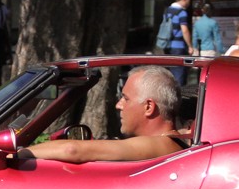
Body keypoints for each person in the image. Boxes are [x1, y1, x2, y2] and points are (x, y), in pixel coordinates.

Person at [12, 66, 189, 164]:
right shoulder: (178, 139)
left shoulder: (158, 144)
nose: (118, 105)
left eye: (126, 99)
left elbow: (73, 150)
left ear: (149, 107)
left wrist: (16, 154)